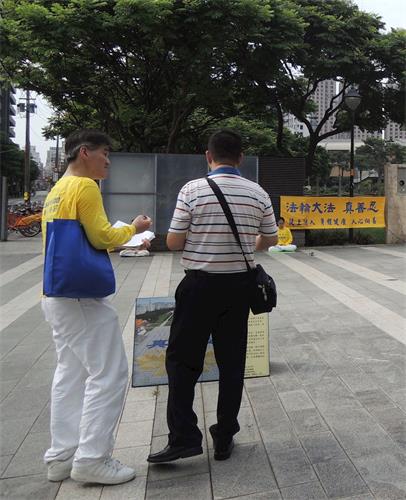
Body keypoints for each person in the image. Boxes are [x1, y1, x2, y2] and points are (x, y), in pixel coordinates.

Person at [147, 129, 277, 464]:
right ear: (241, 158)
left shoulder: (192, 190)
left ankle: (184, 437)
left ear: (209, 156)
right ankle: (224, 437)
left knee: (181, 362)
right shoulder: (258, 193)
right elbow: (270, 239)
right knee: (232, 364)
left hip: (198, 289)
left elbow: (174, 243)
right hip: (239, 289)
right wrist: (247, 245)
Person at [41, 129, 152, 485]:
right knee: (110, 373)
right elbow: (102, 236)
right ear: (84, 152)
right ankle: (92, 458)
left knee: (70, 375)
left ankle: (61, 457)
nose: (108, 160)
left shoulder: (57, 189)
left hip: (57, 295)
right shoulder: (85, 186)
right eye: (105, 153)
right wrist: (134, 230)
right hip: (81, 298)